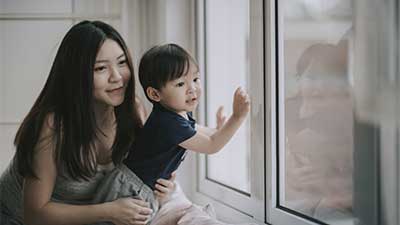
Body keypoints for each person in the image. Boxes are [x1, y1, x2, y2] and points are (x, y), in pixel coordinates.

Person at [0, 20, 176, 225]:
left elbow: (137, 174)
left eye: (121, 62)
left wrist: (162, 187)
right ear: (77, 75)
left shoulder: (133, 110)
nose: (117, 77)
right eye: (101, 68)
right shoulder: (52, 125)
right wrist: (108, 212)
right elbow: (34, 215)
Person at [125, 43, 250, 190]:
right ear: (155, 94)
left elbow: (204, 134)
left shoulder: (175, 114)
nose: (192, 89)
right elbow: (211, 145)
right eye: (180, 84)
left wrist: (219, 129)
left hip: (142, 187)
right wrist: (237, 117)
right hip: (130, 188)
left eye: (195, 79)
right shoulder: (168, 123)